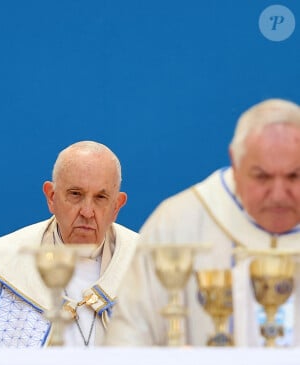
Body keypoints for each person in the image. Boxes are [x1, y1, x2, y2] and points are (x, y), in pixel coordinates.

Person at [106, 98, 300, 347]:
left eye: (295, 176)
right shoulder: (177, 225)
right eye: (262, 176)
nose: (278, 194)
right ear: (235, 162)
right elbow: (128, 341)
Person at [0, 140, 139, 347]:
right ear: (51, 197)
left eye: (100, 197)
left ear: (117, 206)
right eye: (75, 195)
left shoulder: (146, 265)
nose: (87, 212)